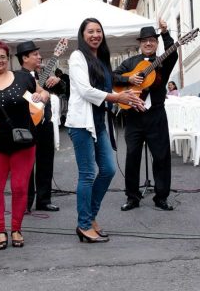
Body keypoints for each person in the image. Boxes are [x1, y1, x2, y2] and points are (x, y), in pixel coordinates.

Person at [66, 18, 143, 243]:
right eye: (90, 31)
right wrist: (117, 97)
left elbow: (108, 91)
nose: (95, 35)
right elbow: (85, 90)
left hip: (100, 123)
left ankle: (90, 218)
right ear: (82, 35)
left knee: (108, 169)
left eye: (98, 31)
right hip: (81, 124)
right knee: (88, 174)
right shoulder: (77, 57)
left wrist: (126, 100)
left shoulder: (102, 59)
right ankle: (84, 224)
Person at [0, 41, 50, 249]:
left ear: (8, 59)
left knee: (20, 187)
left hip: (23, 143)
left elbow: (44, 94)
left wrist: (40, 96)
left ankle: (16, 229)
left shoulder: (24, 78)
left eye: (2, 57)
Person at [114, 20, 178, 211]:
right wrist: (129, 78)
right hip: (133, 115)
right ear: (140, 43)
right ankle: (132, 197)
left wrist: (165, 33)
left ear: (156, 43)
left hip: (156, 114)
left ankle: (161, 196)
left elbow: (173, 53)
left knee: (161, 156)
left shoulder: (163, 62)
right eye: (145, 41)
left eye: (152, 40)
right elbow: (112, 76)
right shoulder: (130, 63)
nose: (148, 43)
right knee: (132, 156)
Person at [16, 41, 61, 212]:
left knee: (46, 162)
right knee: (26, 165)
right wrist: (37, 92)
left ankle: (44, 200)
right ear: (25, 58)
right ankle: (26, 202)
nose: (39, 57)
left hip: (45, 124)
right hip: (27, 125)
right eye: (35, 54)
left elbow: (63, 89)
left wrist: (57, 80)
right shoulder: (17, 76)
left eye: (38, 54)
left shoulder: (43, 74)